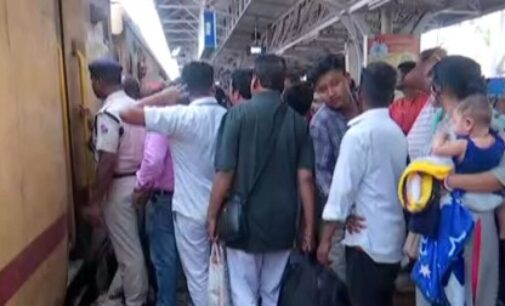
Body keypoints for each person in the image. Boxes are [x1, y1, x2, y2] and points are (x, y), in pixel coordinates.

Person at [207, 54, 316, 306]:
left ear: (254, 82)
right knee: (273, 293)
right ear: (282, 84)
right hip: (283, 224)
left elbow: (224, 174)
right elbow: (306, 178)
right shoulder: (298, 123)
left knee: (244, 293)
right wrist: (308, 227)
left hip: (243, 225)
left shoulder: (235, 117)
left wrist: (212, 215)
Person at [120, 61, 226, 306]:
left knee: (197, 278)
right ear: (212, 85)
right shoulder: (228, 116)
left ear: (184, 87)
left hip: (189, 212)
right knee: (221, 275)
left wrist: (163, 96)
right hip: (222, 209)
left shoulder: (179, 117)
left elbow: (127, 113)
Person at [317, 62, 407, 306]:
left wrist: (325, 240)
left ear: (360, 93)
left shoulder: (358, 135)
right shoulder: (397, 133)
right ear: (391, 96)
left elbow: (340, 193)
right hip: (392, 240)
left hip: (365, 243)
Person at [423, 56, 502, 306]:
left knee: (471, 292)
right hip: (441, 222)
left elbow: (498, 180)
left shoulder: (493, 127)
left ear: (444, 87)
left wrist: (452, 182)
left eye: (434, 85)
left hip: (472, 222)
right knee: (439, 290)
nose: (431, 93)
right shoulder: (443, 122)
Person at [82, 58, 148, 306]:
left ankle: (135, 301)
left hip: (119, 187)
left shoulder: (109, 113)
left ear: (98, 81)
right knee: (132, 246)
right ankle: (125, 294)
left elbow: (107, 161)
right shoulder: (137, 106)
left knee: (129, 253)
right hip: (140, 183)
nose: (92, 86)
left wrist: (96, 201)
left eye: (92, 81)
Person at [307, 53, 359, 282]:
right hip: (339, 220)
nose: (331, 93)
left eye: (335, 83)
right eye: (323, 89)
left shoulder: (369, 105)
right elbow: (322, 176)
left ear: (348, 78)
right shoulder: (321, 123)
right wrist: (344, 209)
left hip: (372, 209)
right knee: (339, 279)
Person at [134, 83, 178, 306]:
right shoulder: (185, 116)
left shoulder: (160, 121)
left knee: (164, 258)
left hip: (163, 199)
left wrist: (140, 185)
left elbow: (153, 161)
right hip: (187, 195)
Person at [389, 61, 430, 135]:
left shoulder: (426, 103)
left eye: (398, 75)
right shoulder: (395, 105)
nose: (394, 79)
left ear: (410, 76)